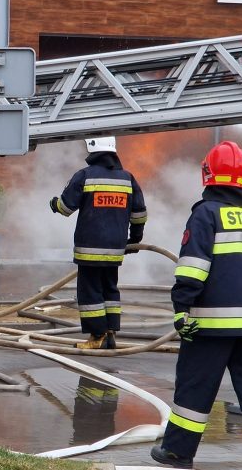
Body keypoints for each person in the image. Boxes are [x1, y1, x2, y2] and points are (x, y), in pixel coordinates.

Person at [150, 141, 242, 470]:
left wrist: (181, 310)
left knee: (195, 387)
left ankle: (178, 453)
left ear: (208, 174)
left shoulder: (206, 214)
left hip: (209, 325)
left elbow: (193, 269)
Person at [50, 136, 147, 350]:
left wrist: (54, 204)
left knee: (90, 292)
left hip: (90, 249)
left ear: (92, 149)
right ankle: (110, 334)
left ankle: (96, 336)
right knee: (109, 289)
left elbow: (66, 208)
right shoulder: (127, 178)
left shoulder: (84, 176)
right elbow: (139, 214)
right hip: (115, 249)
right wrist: (135, 238)